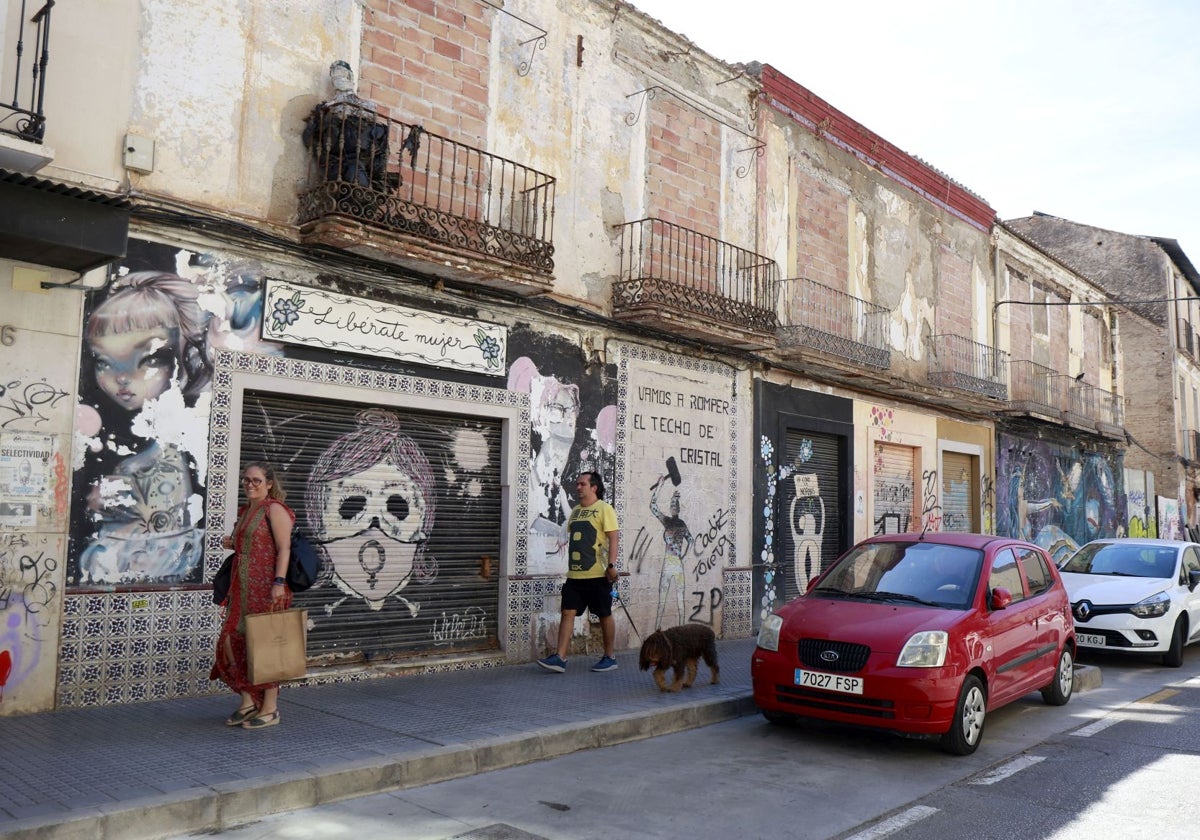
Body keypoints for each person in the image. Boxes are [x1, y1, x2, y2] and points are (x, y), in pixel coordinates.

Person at [210, 462, 294, 729]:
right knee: (230, 641)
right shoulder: (246, 511)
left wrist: (279, 582)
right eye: (246, 480)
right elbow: (251, 543)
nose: (250, 484)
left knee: (267, 646)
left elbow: (284, 549)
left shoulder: (274, 509)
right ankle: (248, 701)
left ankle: (270, 708)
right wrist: (232, 543)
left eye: (256, 480)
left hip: (268, 589)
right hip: (241, 589)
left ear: (269, 483)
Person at [537, 471, 620, 673]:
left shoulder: (604, 509)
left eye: (582, 484)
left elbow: (614, 538)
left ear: (594, 487)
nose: (578, 487)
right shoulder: (575, 511)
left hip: (597, 575)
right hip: (575, 576)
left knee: (604, 614)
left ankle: (610, 657)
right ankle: (560, 658)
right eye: (577, 484)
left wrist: (611, 565)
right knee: (567, 612)